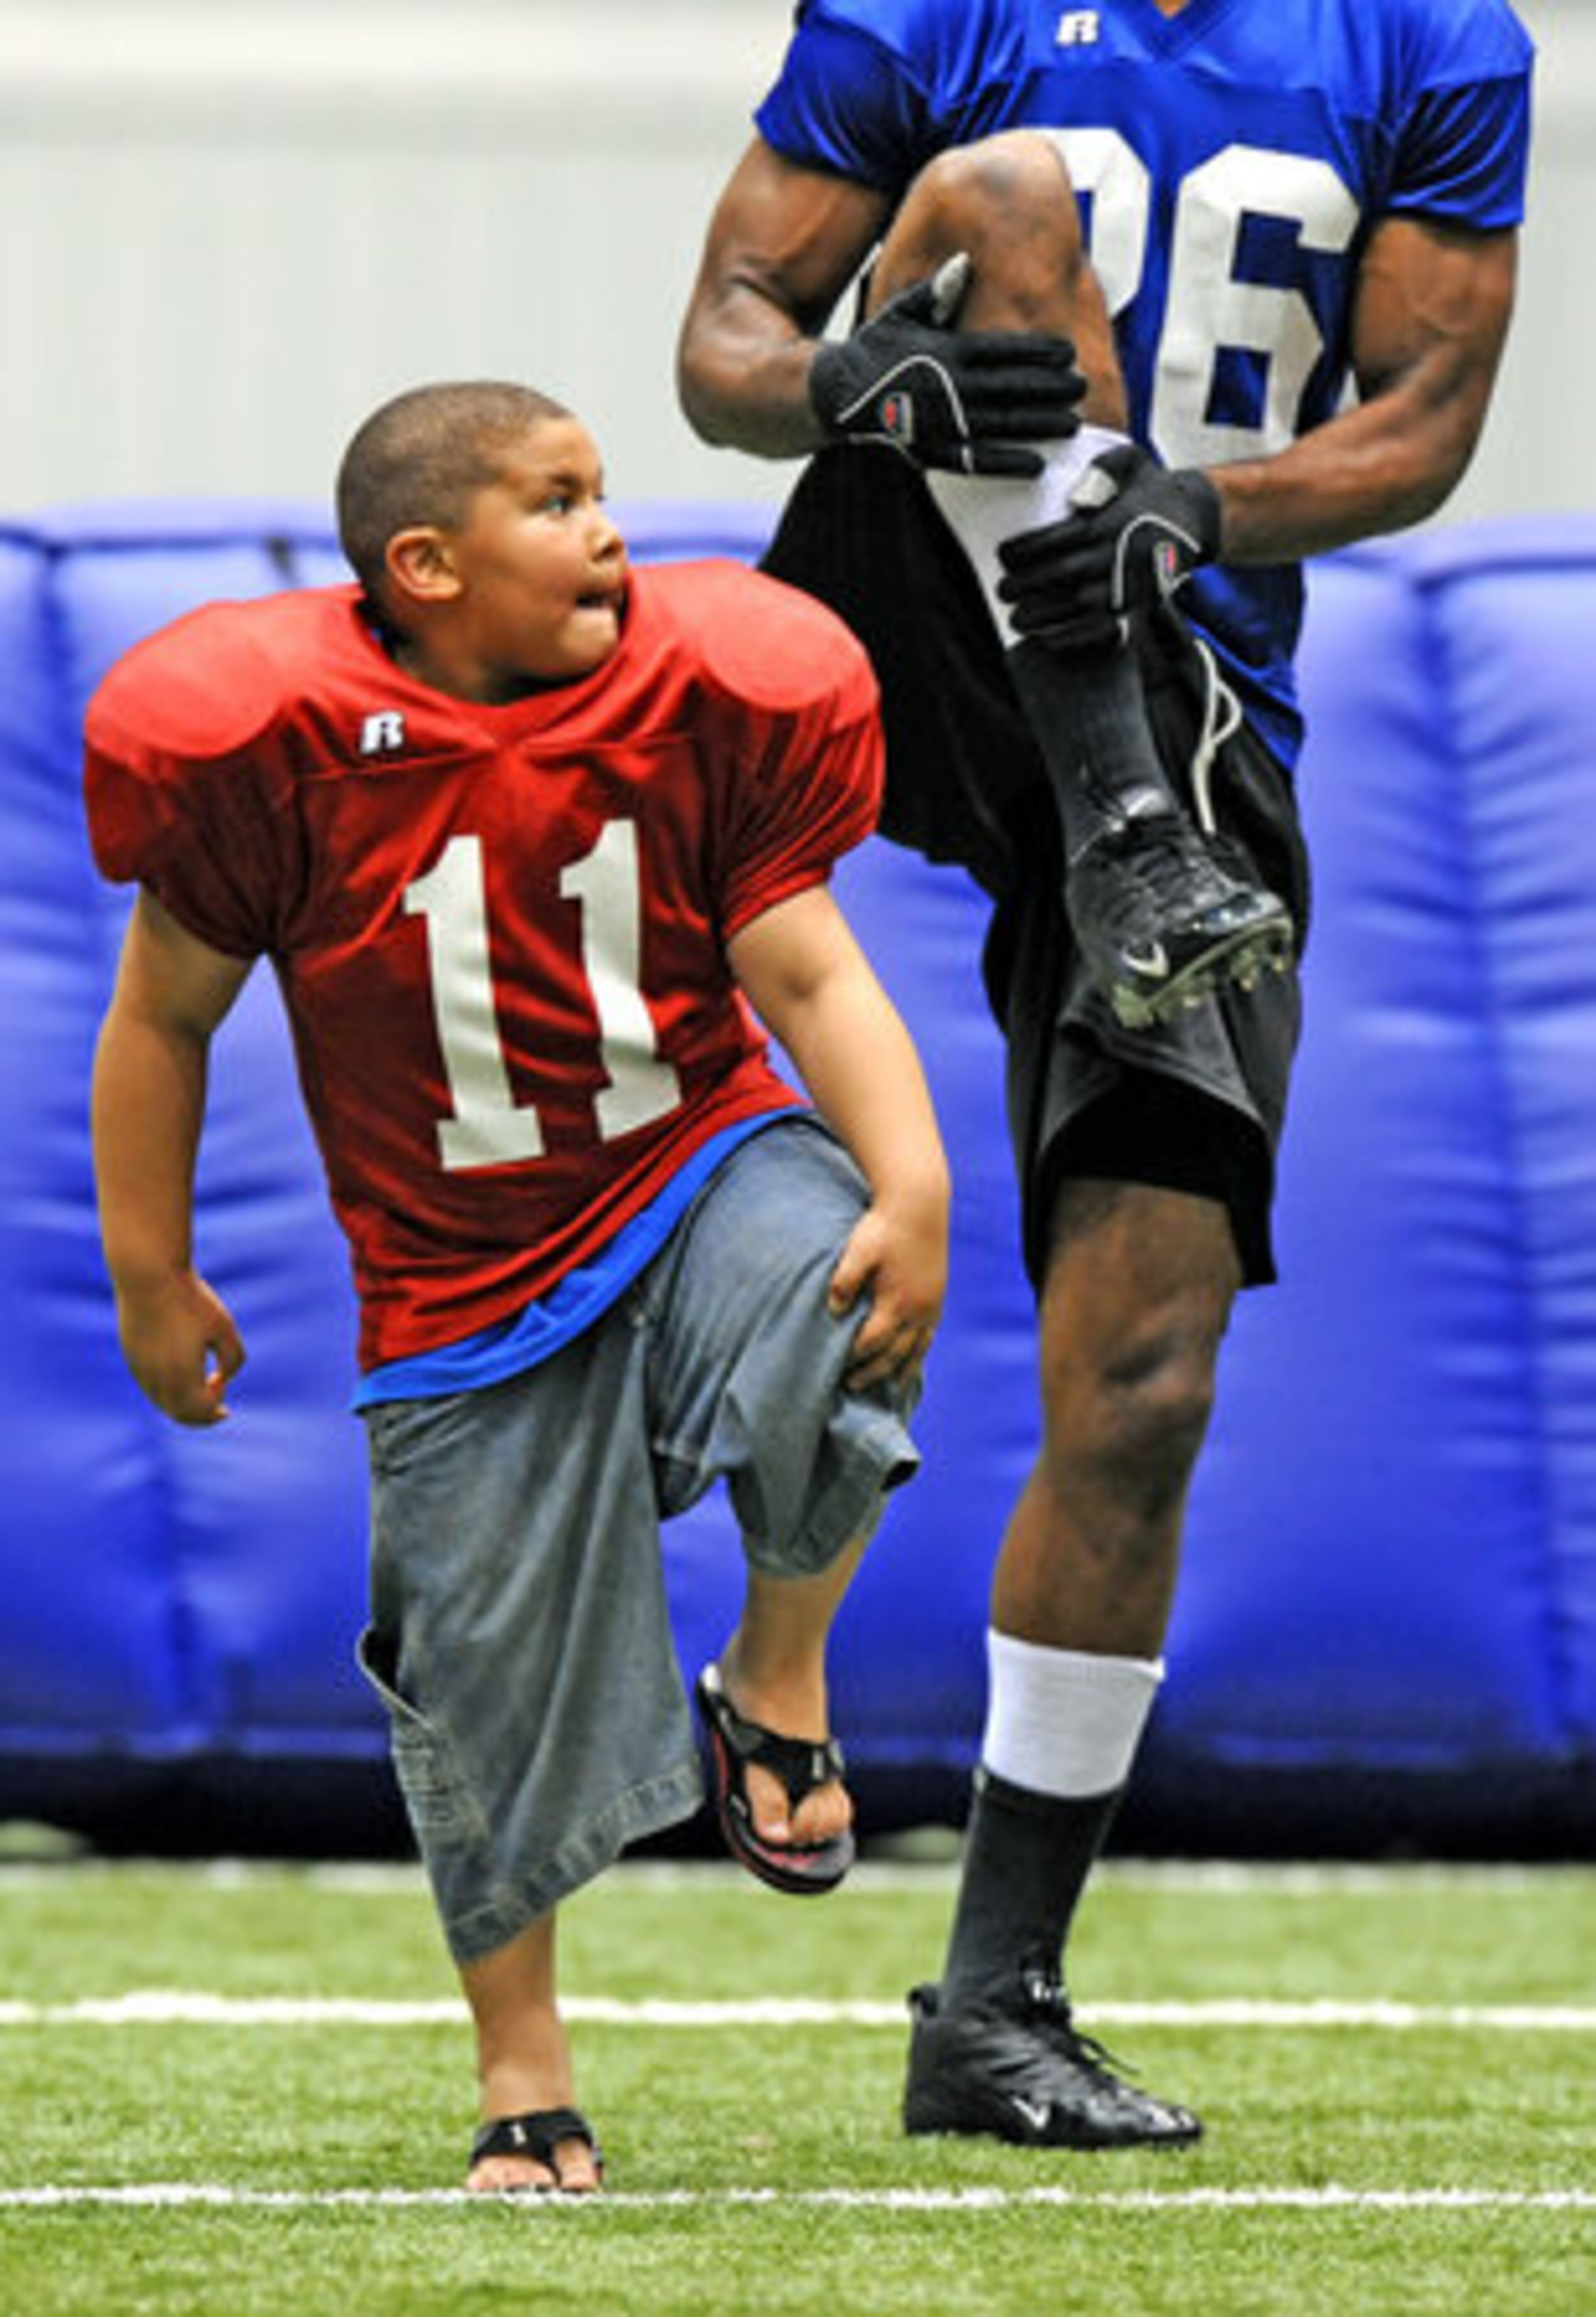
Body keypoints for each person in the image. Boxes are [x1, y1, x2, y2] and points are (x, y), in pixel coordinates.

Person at [678, 0, 1533, 2149]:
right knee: (996, 194)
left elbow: (1423, 425)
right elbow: (724, 339)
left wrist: (1195, 508)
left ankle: (992, 2003)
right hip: (910, 628)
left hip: (1186, 675)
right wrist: (853, 377)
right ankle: (1114, 810)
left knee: (1142, 1381)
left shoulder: (1427, 41)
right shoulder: (930, 15)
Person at [84, 379, 950, 2194]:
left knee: (835, 1305)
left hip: (692, 1164)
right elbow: (162, 1013)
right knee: (477, 1680)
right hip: (458, 1280)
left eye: (604, 490)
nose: (611, 529)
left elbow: (804, 971)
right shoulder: (279, 740)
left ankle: (774, 1680)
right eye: (557, 503)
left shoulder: (699, 690)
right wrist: (152, 1271)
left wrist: (914, 1172)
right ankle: (523, 2066)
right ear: (425, 565)